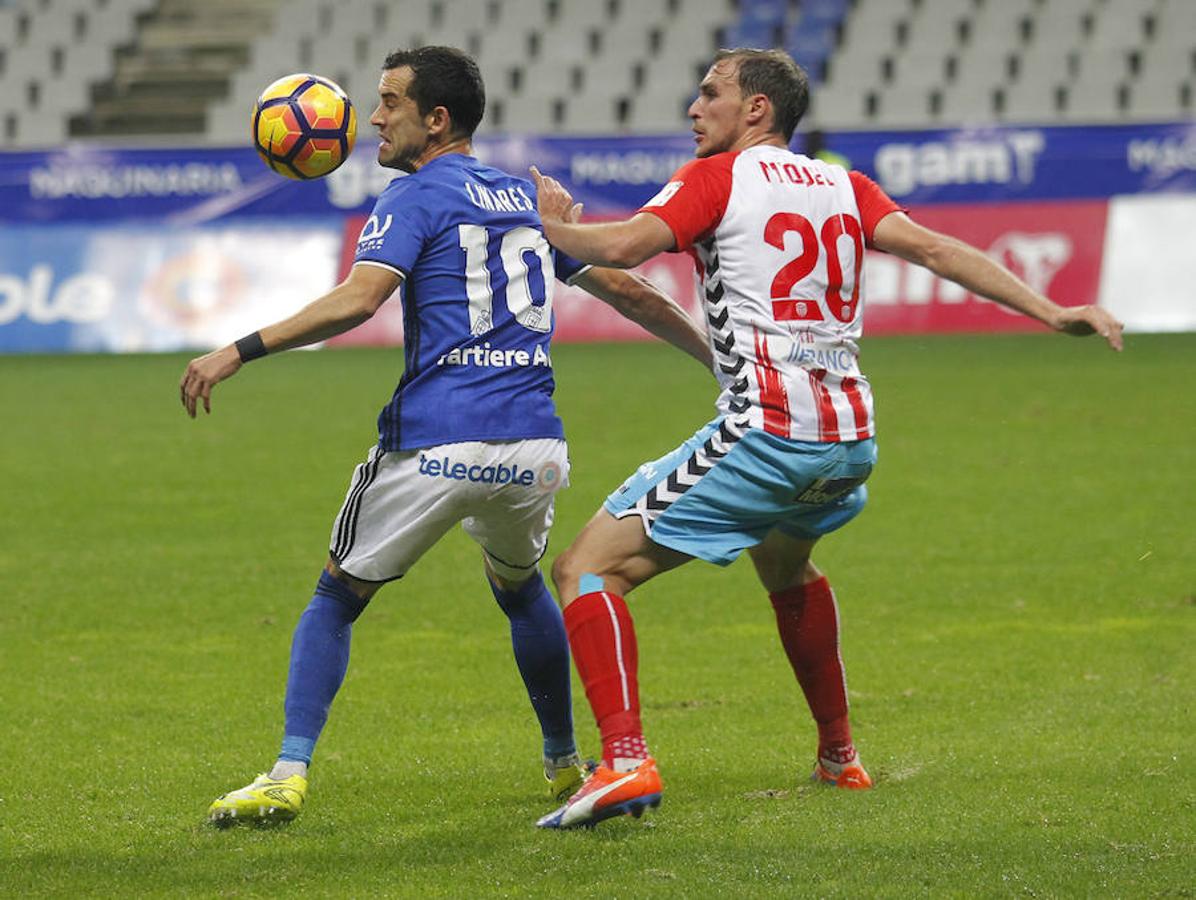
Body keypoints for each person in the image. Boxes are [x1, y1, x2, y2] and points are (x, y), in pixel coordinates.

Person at [529, 47, 1124, 830]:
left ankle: (625, 762)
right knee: (784, 558)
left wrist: (543, 223)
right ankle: (840, 758)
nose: (693, 108)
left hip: (768, 436)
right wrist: (1054, 311)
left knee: (585, 570)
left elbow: (627, 247)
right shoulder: (844, 184)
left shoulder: (717, 178)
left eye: (710, 94)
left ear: (757, 111)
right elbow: (938, 251)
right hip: (847, 440)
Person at [180, 45, 711, 826]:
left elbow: (360, 301)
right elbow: (630, 291)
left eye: (390, 101)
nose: (375, 117)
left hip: (437, 441)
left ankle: (287, 773)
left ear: (437, 120)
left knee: (335, 595)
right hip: (535, 448)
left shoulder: (414, 198)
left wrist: (236, 349)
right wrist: (718, 357)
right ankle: (566, 764)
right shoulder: (530, 200)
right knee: (520, 584)